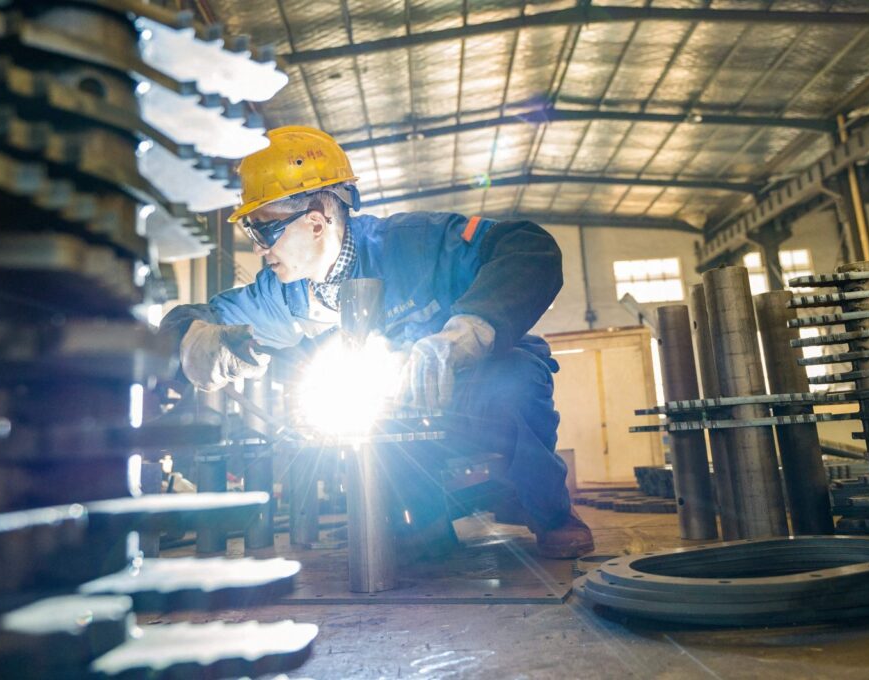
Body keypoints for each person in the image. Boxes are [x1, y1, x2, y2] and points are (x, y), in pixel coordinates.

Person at [160, 126, 593, 559]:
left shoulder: (417, 244)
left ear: (314, 220)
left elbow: (528, 248)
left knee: (515, 378)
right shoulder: (283, 294)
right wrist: (194, 341)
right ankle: (423, 522)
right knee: (369, 425)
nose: (258, 249)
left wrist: (465, 336)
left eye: (264, 232)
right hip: (404, 433)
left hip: (475, 407)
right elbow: (201, 318)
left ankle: (548, 513)